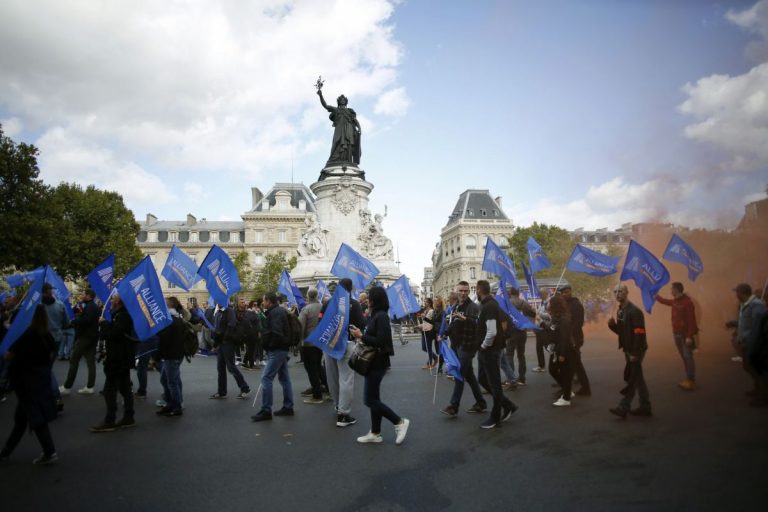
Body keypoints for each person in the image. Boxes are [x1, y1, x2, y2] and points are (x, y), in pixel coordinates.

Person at [349, 286, 410, 445]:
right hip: (373, 362)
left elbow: (381, 341)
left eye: (369, 297)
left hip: (377, 362)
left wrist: (361, 336)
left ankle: (399, 422)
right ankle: (375, 432)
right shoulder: (374, 315)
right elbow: (371, 336)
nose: (367, 300)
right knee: (373, 398)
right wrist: (360, 334)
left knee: (369, 400)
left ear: (374, 300)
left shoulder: (381, 316)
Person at [0, 304, 58, 465]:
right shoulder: (45, 334)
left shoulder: (25, 334)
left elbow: (9, 355)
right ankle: (6, 451)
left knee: (35, 418)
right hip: (39, 379)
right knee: (22, 418)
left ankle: (50, 451)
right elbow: (52, 353)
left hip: (25, 381)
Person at [321, 278, 365, 428]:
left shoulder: (327, 303)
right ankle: (343, 414)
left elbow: (320, 322)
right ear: (350, 288)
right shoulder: (354, 304)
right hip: (346, 343)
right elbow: (361, 324)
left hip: (329, 343)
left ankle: (337, 404)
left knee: (332, 376)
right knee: (346, 377)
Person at [90, 292, 137, 432]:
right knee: (125, 389)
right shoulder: (121, 315)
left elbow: (114, 334)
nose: (111, 300)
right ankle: (129, 417)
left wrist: (104, 324)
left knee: (109, 390)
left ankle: (110, 420)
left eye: (113, 299)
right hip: (121, 357)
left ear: (118, 302)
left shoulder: (122, 316)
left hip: (118, 359)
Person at [475, 280, 517, 429]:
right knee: (482, 378)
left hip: (490, 350)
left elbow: (492, 331)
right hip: (486, 350)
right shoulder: (487, 305)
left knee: (494, 383)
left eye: (476, 291)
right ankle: (508, 405)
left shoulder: (490, 306)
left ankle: (495, 416)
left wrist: (484, 345)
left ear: (478, 290)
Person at [440, 281, 485, 417]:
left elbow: (479, 325)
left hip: (468, 346)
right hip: (457, 345)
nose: (463, 293)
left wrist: (466, 319)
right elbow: (453, 324)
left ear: (468, 291)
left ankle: (454, 406)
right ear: (456, 291)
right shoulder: (456, 306)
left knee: (459, 374)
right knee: (469, 375)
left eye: (466, 291)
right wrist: (444, 334)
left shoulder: (473, 307)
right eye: (461, 291)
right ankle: (481, 403)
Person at [607, 284, 652, 419]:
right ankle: (645, 407)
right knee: (638, 379)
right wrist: (612, 326)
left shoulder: (634, 311)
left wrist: (635, 353)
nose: (617, 294)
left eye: (620, 291)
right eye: (615, 292)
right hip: (628, 349)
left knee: (632, 379)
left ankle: (624, 407)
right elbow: (622, 333)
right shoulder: (621, 311)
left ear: (627, 292)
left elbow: (639, 333)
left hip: (636, 350)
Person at [251, 292, 295, 421]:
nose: (262, 303)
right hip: (281, 348)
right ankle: (288, 407)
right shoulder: (278, 311)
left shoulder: (275, 312)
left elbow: (276, 332)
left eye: (264, 301)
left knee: (266, 378)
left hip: (277, 349)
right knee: (284, 378)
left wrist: (270, 346)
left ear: (269, 301)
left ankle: (266, 410)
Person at [727, 283, 767, 405]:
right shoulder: (745, 304)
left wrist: (753, 344)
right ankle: (758, 389)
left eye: (737, 293)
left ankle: (764, 396)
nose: (736, 295)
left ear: (742, 293)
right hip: (746, 342)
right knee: (749, 367)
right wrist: (734, 323)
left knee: (757, 369)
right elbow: (745, 321)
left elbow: (758, 325)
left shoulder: (756, 305)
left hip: (753, 343)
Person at [656, 282, 699, 390]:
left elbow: (692, 320)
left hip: (685, 335)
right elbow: (665, 301)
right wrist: (655, 296)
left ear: (677, 290)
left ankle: (691, 380)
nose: (671, 291)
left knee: (688, 357)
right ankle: (688, 379)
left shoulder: (687, 302)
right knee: (684, 357)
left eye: (672, 289)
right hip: (676, 334)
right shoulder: (675, 301)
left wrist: (689, 336)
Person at [60, 289, 100, 396]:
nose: (81, 295)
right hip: (91, 336)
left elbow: (86, 320)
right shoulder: (90, 306)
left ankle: (67, 386)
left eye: (83, 294)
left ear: (89, 296)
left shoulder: (90, 307)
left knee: (74, 359)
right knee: (90, 361)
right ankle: (90, 387)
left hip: (85, 337)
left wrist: (74, 321)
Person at [209, 303, 250, 400]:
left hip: (228, 343)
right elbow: (218, 329)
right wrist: (216, 344)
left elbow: (231, 325)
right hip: (221, 343)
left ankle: (245, 388)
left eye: (217, 299)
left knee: (231, 367)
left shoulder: (229, 310)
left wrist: (223, 339)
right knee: (221, 368)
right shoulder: (218, 312)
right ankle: (221, 391)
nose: (216, 301)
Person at [155, 297, 186, 417]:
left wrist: (158, 355)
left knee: (171, 381)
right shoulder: (177, 318)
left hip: (171, 355)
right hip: (175, 354)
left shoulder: (170, 320)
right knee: (168, 379)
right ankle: (170, 404)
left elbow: (165, 340)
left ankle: (176, 406)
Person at [559, 285, 592, 396]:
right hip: (570, 338)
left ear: (571, 292)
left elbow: (578, 324)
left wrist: (570, 337)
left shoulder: (576, 305)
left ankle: (568, 389)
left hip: (574, 338)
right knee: (575, 364)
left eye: (566, 292)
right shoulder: (566, 305)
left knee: (573, 364)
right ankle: (582, 388)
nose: (564, 294)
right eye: (562, 292)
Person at [317, 87, 361, 166]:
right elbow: (326, 105)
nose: (342, 100)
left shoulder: (350, 111)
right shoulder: (336, 110)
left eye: (344, 99)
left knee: (349, 145)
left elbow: (354, 120)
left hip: (349, 130)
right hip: (339, 130)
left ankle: (348, 161)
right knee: (337, 143)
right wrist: (320, 95)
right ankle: (334, 160)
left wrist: (359, 127)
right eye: (341, 99)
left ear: (346, 102)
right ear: (338, 101)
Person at [41, 283, 67, 411]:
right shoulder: (60, 305)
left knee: (45, 368)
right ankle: (52, 396)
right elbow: (66, 322)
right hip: (56, 338)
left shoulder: (38, 306)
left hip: (42, 339)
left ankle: (54, 396)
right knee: (47, 367)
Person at [299, 289, 327, 404]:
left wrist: (298, 342)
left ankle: (317, 394)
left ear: (307, 296)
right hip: (320, 341)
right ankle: (328, 388)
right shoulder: (323, 307)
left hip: (308, 343)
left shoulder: (306, 309)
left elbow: (300, 326)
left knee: (311, 369)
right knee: (318, 366)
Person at [548, 295, 576, 407]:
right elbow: (552, 332)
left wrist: (562, 354)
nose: (549, 306)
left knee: (565, 373)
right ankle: (567, 390)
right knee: (552, 370)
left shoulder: (564, 319)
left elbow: (565, 338)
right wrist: (541, 324)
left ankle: (566, 398)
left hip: (564, 351)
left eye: (551, 304)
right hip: (556, 349)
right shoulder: (556, 318)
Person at [507, 287, 535, 385]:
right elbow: (533, 313)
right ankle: (522, 378)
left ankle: (511, 378)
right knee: (521, 355)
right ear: (518, 293)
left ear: (510, 293)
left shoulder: (507, 303)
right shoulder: (523, 303)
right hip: (522, 331)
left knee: (509, 354)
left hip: (511, 331)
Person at [532, 288, 552, 372]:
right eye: (540, 294)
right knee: (538, 348)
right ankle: (541, 366)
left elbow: (550, 316)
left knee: (548, 347)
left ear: (546, 293)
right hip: (539, 328)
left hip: (545, 328)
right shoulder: (542, 302)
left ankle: (560, 360)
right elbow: (537, 316)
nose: (540, 295)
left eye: (541, 294)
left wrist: (539, 313)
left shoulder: (549, 303)